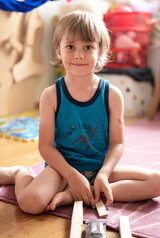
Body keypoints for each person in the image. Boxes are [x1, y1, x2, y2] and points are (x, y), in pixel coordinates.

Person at [0, 10, 160, 215]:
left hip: (100, 169)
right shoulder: (51, 96)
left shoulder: (112, 95)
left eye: (88, 47)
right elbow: (46, 146)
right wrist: (73, 177)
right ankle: (18, 174)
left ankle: (85, 193)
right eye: (70, 47)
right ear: (58, 50)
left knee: (156, 182)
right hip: (62, 171)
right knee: (31, 203)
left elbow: (117, 143)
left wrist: (103, 174)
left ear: (101, 51)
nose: (78, 54)